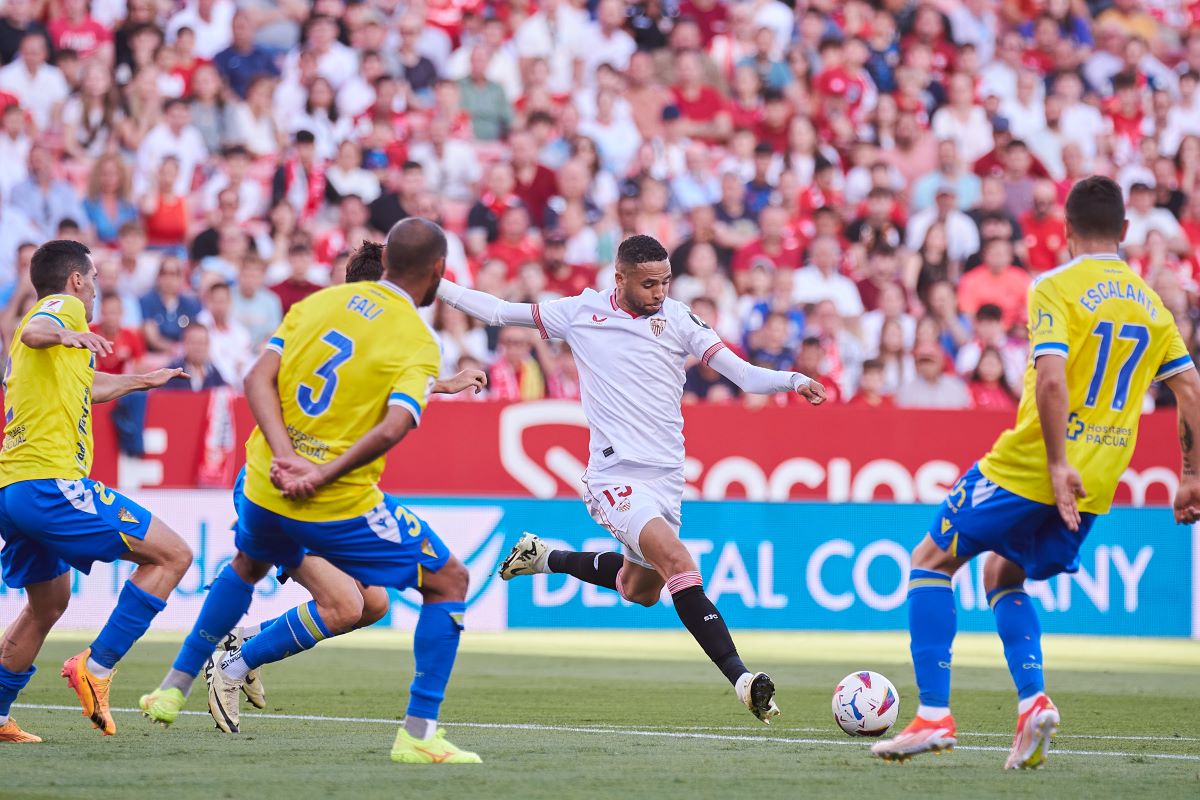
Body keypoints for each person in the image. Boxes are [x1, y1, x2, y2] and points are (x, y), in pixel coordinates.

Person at [872, 176, 1200, 768]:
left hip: (1032, 466)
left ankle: (933, 716)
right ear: (1125, 232)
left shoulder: (1053, 286)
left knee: (929, 562)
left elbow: (1051, 379)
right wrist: (1191, 473)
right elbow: (1191, 390)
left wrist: (1054, 464)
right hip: (1097, 481)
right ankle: (1032, 703)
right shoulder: (1153, 304)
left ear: (1067, 232)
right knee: (1002, 573)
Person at [138, 219, 487, 765]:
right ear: (439, 272)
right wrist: (317, 473)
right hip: (328, 498)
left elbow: (263, 378)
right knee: (431, 583)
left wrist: (283, 454)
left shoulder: (316, 306)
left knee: (362, 601)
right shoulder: (418, 338)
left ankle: (188, 675)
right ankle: (413, 732)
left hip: (265, 481)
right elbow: (392, 421)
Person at [441, 234, 827, 724]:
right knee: (679, 561)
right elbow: (498, 311)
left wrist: (791, 380)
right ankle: (742, 677)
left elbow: (744, 375)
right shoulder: (580, 313)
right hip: (614, 476)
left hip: (667, 479)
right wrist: (439, 285)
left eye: (665, 281)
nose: (659, 292)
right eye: (648, 283)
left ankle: (546, 557)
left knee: (640, 590)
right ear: (619, 278)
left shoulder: (680, 318)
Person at [0, 240, 191, 743]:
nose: (96, 289)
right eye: (96, 278)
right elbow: (40, 329)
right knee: (173, 555)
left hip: (16, 488)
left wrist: (141, 381)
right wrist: (65, 332)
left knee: (47, 604)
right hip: (51, 484)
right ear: (77, 280)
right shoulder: (59, 311)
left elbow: (88, 385)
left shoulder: (58, 347)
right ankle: (96, 666)